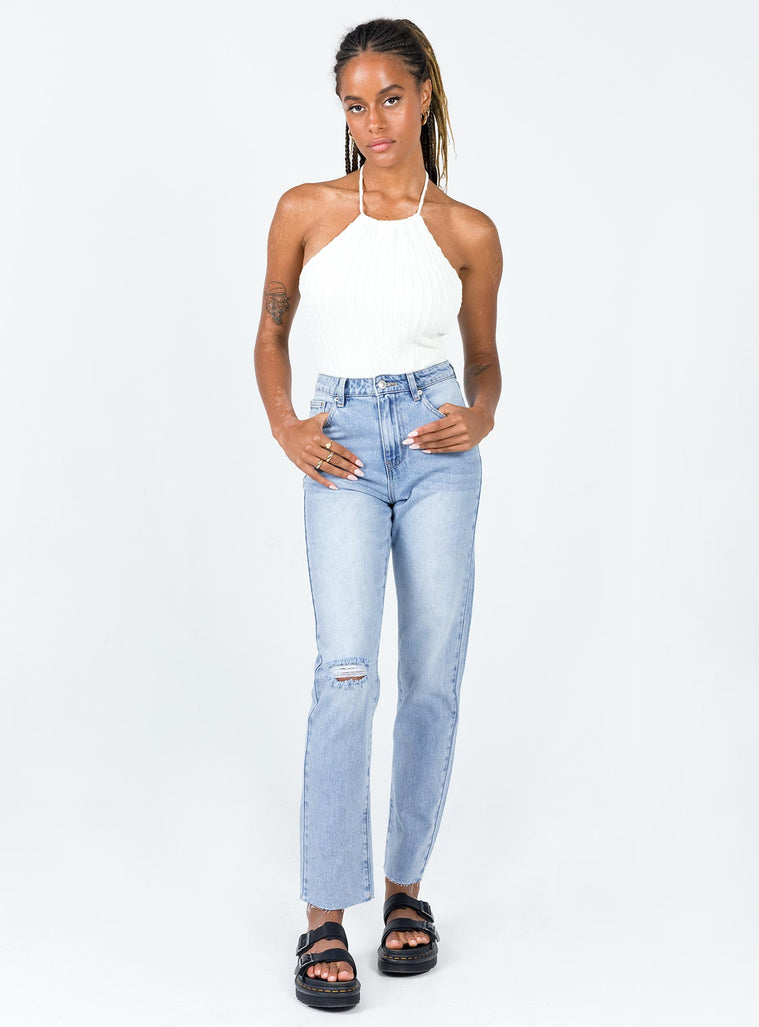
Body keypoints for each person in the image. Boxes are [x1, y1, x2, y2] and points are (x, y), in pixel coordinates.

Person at [253, 17, 502, 1009]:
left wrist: (481, 414)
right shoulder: (306, 209)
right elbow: (270, 333)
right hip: (344, 442)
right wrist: (287, 426)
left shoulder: (468, 231)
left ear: (425, 93)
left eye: (389, 98)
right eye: (354, 106)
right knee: (347, 669)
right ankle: (324, 911)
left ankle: (406, 891)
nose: (373, 122)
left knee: (433, 677)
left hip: (437, 446)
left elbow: (484, 362)